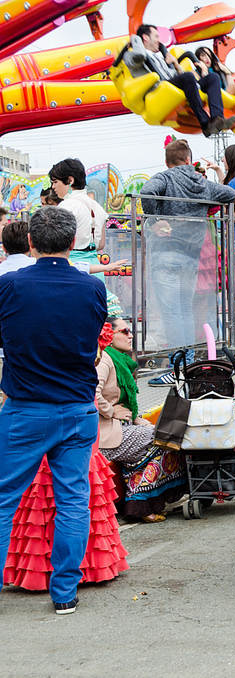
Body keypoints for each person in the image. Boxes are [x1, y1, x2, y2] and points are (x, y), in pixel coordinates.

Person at [0, 206, 108, 615]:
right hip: (79, 409)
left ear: (30, 243)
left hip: (26, 409)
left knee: (3, 500)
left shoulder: (10, 286)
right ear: (72, 243)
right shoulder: (92, 289)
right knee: (73, 500)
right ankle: (64, 593)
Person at [140, 139, 235, 384]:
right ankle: (187, 364)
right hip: (190, 259)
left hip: (167, 255)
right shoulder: (202, 183)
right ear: (187, 160)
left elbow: (146, 191)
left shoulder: (165, 177)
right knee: (183, 312)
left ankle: (177, 369)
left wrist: (156, 218)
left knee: (173, 313)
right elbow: (231, 194)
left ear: (167, 161)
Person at [97, 318, 185, 521]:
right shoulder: (104, 360)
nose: (130, 336)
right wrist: (111, 411)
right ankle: (139, 505)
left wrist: (136, 418)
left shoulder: (120, 360)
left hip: (121, 428)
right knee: (160, 439)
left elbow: (124, 402)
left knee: (164, 436)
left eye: (131, 331)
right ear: (110, 337)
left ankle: (144, 502)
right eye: (125, 331)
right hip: (105, 435)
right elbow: (91, 393)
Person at [132, 25, 235, 137]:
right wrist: (135, 40)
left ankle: (217, 118)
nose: (159, 41)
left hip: (174, 82)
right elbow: (135, 58)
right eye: (156, 36)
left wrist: (175, 64)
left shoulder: (160, 59)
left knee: (213, 78)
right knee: (188, 76)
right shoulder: (140, 55)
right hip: (161, 87)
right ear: (146, 38)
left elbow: (180, 76)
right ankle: (205, 123)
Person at [48, 159, 107, 272]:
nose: (53, 187)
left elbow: (54, 242)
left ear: (70, 180)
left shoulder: (66, 206)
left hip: (72, 266)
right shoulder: (98, 207)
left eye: (55, 182)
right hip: (96, 266)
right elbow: (101, 244)